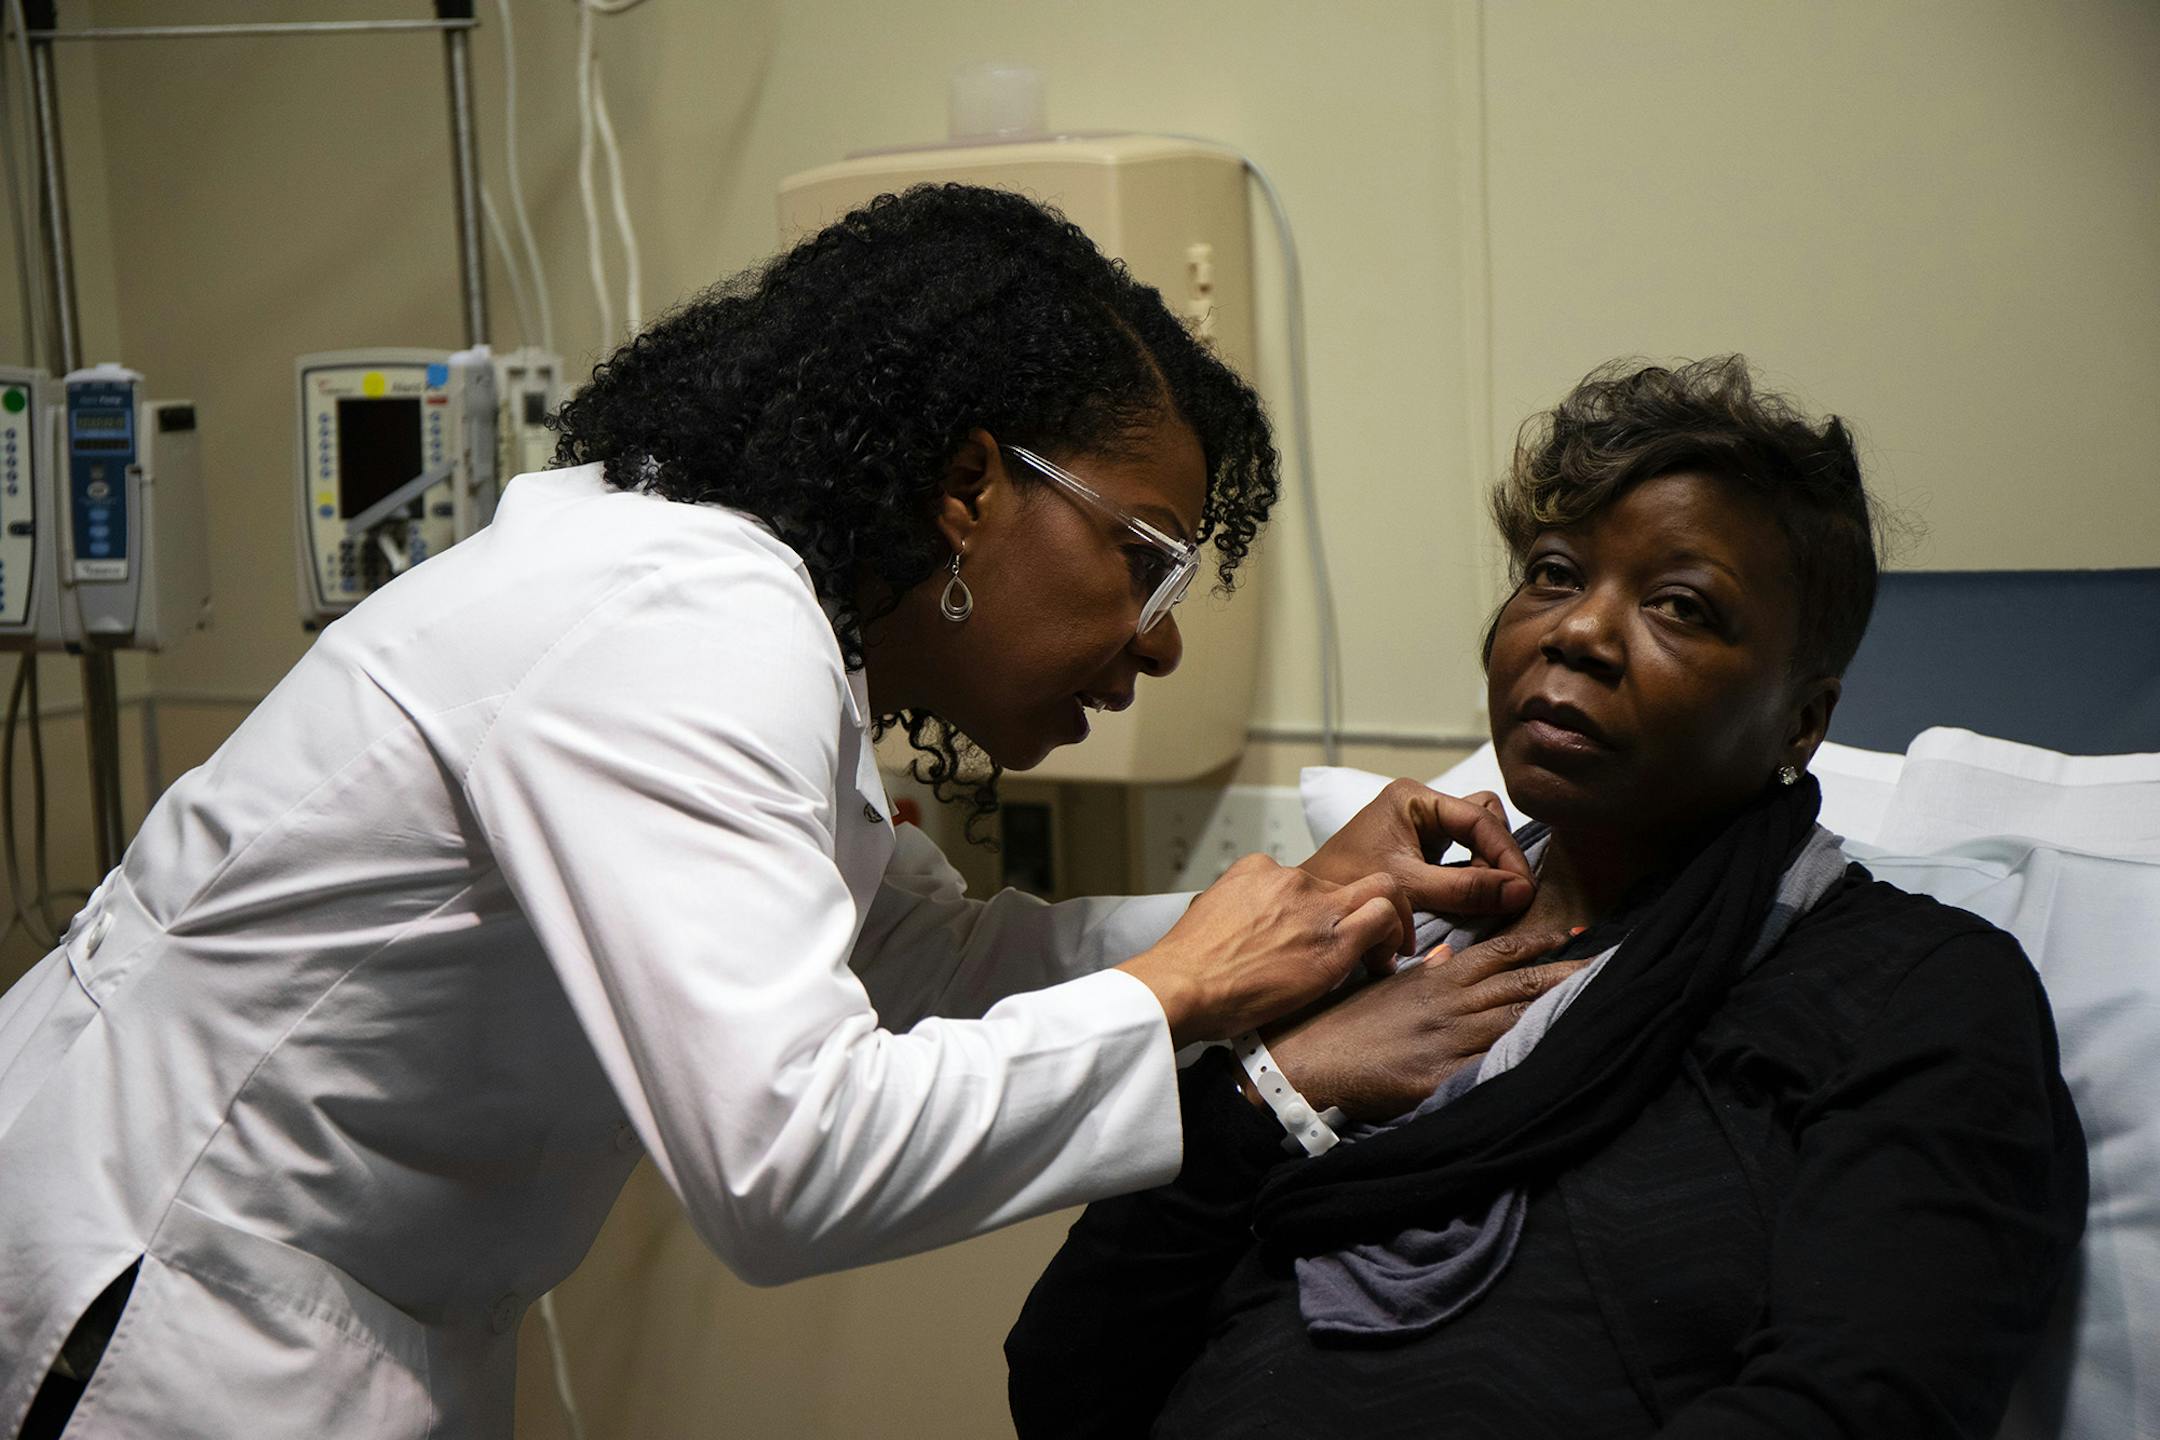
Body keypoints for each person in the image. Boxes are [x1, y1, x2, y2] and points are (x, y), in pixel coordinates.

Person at [0, 186, 1564, 1439]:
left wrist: (1299, 911)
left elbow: (924, 965)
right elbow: (788, 1161)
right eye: (1145, 559)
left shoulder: (762, 621)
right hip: (149, 1316)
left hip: (325, 1312)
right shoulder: (686, 623)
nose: (1159, 637)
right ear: (970, 491)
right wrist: (1187, 991)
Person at [1006, 356, 2088, 1439]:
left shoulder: (1917, 996)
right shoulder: (1368, 943)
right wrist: (1270, 1092)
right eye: (1556, 573)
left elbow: (1862, 1405)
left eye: (1680, 605)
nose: (1579, 631)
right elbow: (1068, 1372)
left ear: (1805, 721)